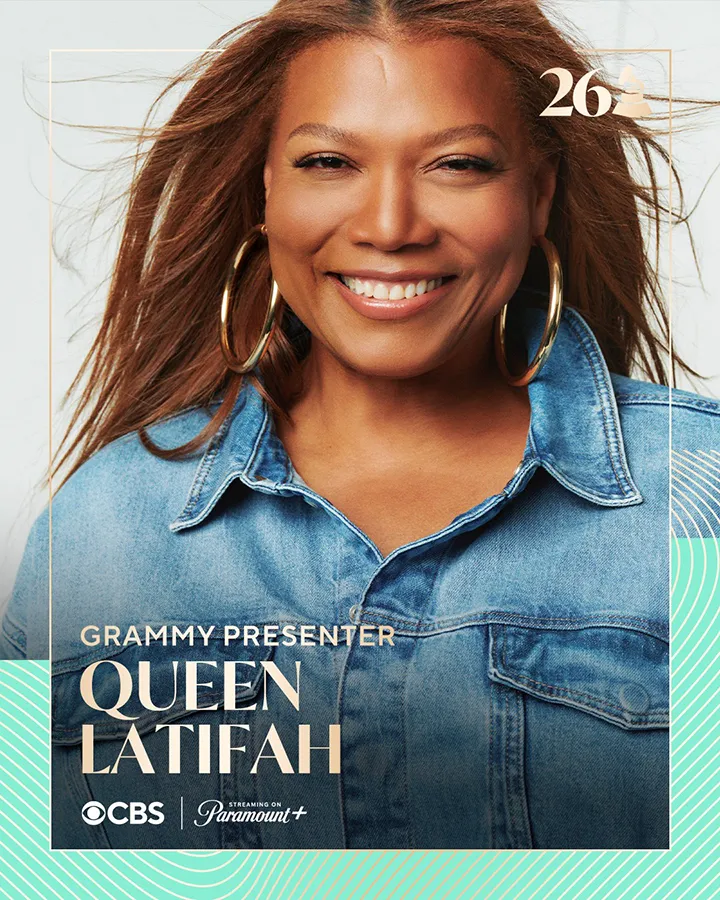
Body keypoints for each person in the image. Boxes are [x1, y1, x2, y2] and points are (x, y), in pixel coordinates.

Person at [2, 0, 719, 851]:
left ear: (539, 196)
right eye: (329, 160)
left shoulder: (697, 499)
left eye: (457, 164)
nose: (389, 227)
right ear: (264, 193)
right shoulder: (106, 523)